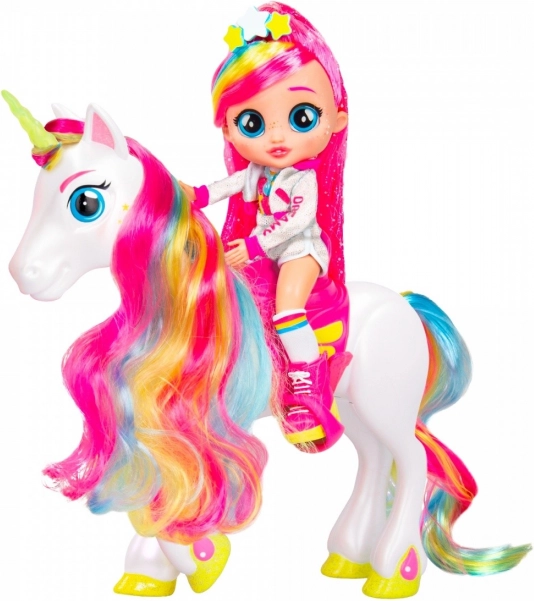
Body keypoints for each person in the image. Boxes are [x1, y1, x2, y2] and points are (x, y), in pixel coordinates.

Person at [180, 2, 348, 449]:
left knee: (287, 308)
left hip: (301, 251)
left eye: (300, 117)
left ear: (336, 120)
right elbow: (228, 185)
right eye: (252, 122)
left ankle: (309, 387)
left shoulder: (303, 179)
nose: (276, 136)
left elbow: (297, 220)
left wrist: (253, 246)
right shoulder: (258, 173)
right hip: (267, 250)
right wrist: (193, 196)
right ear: (228, 129)